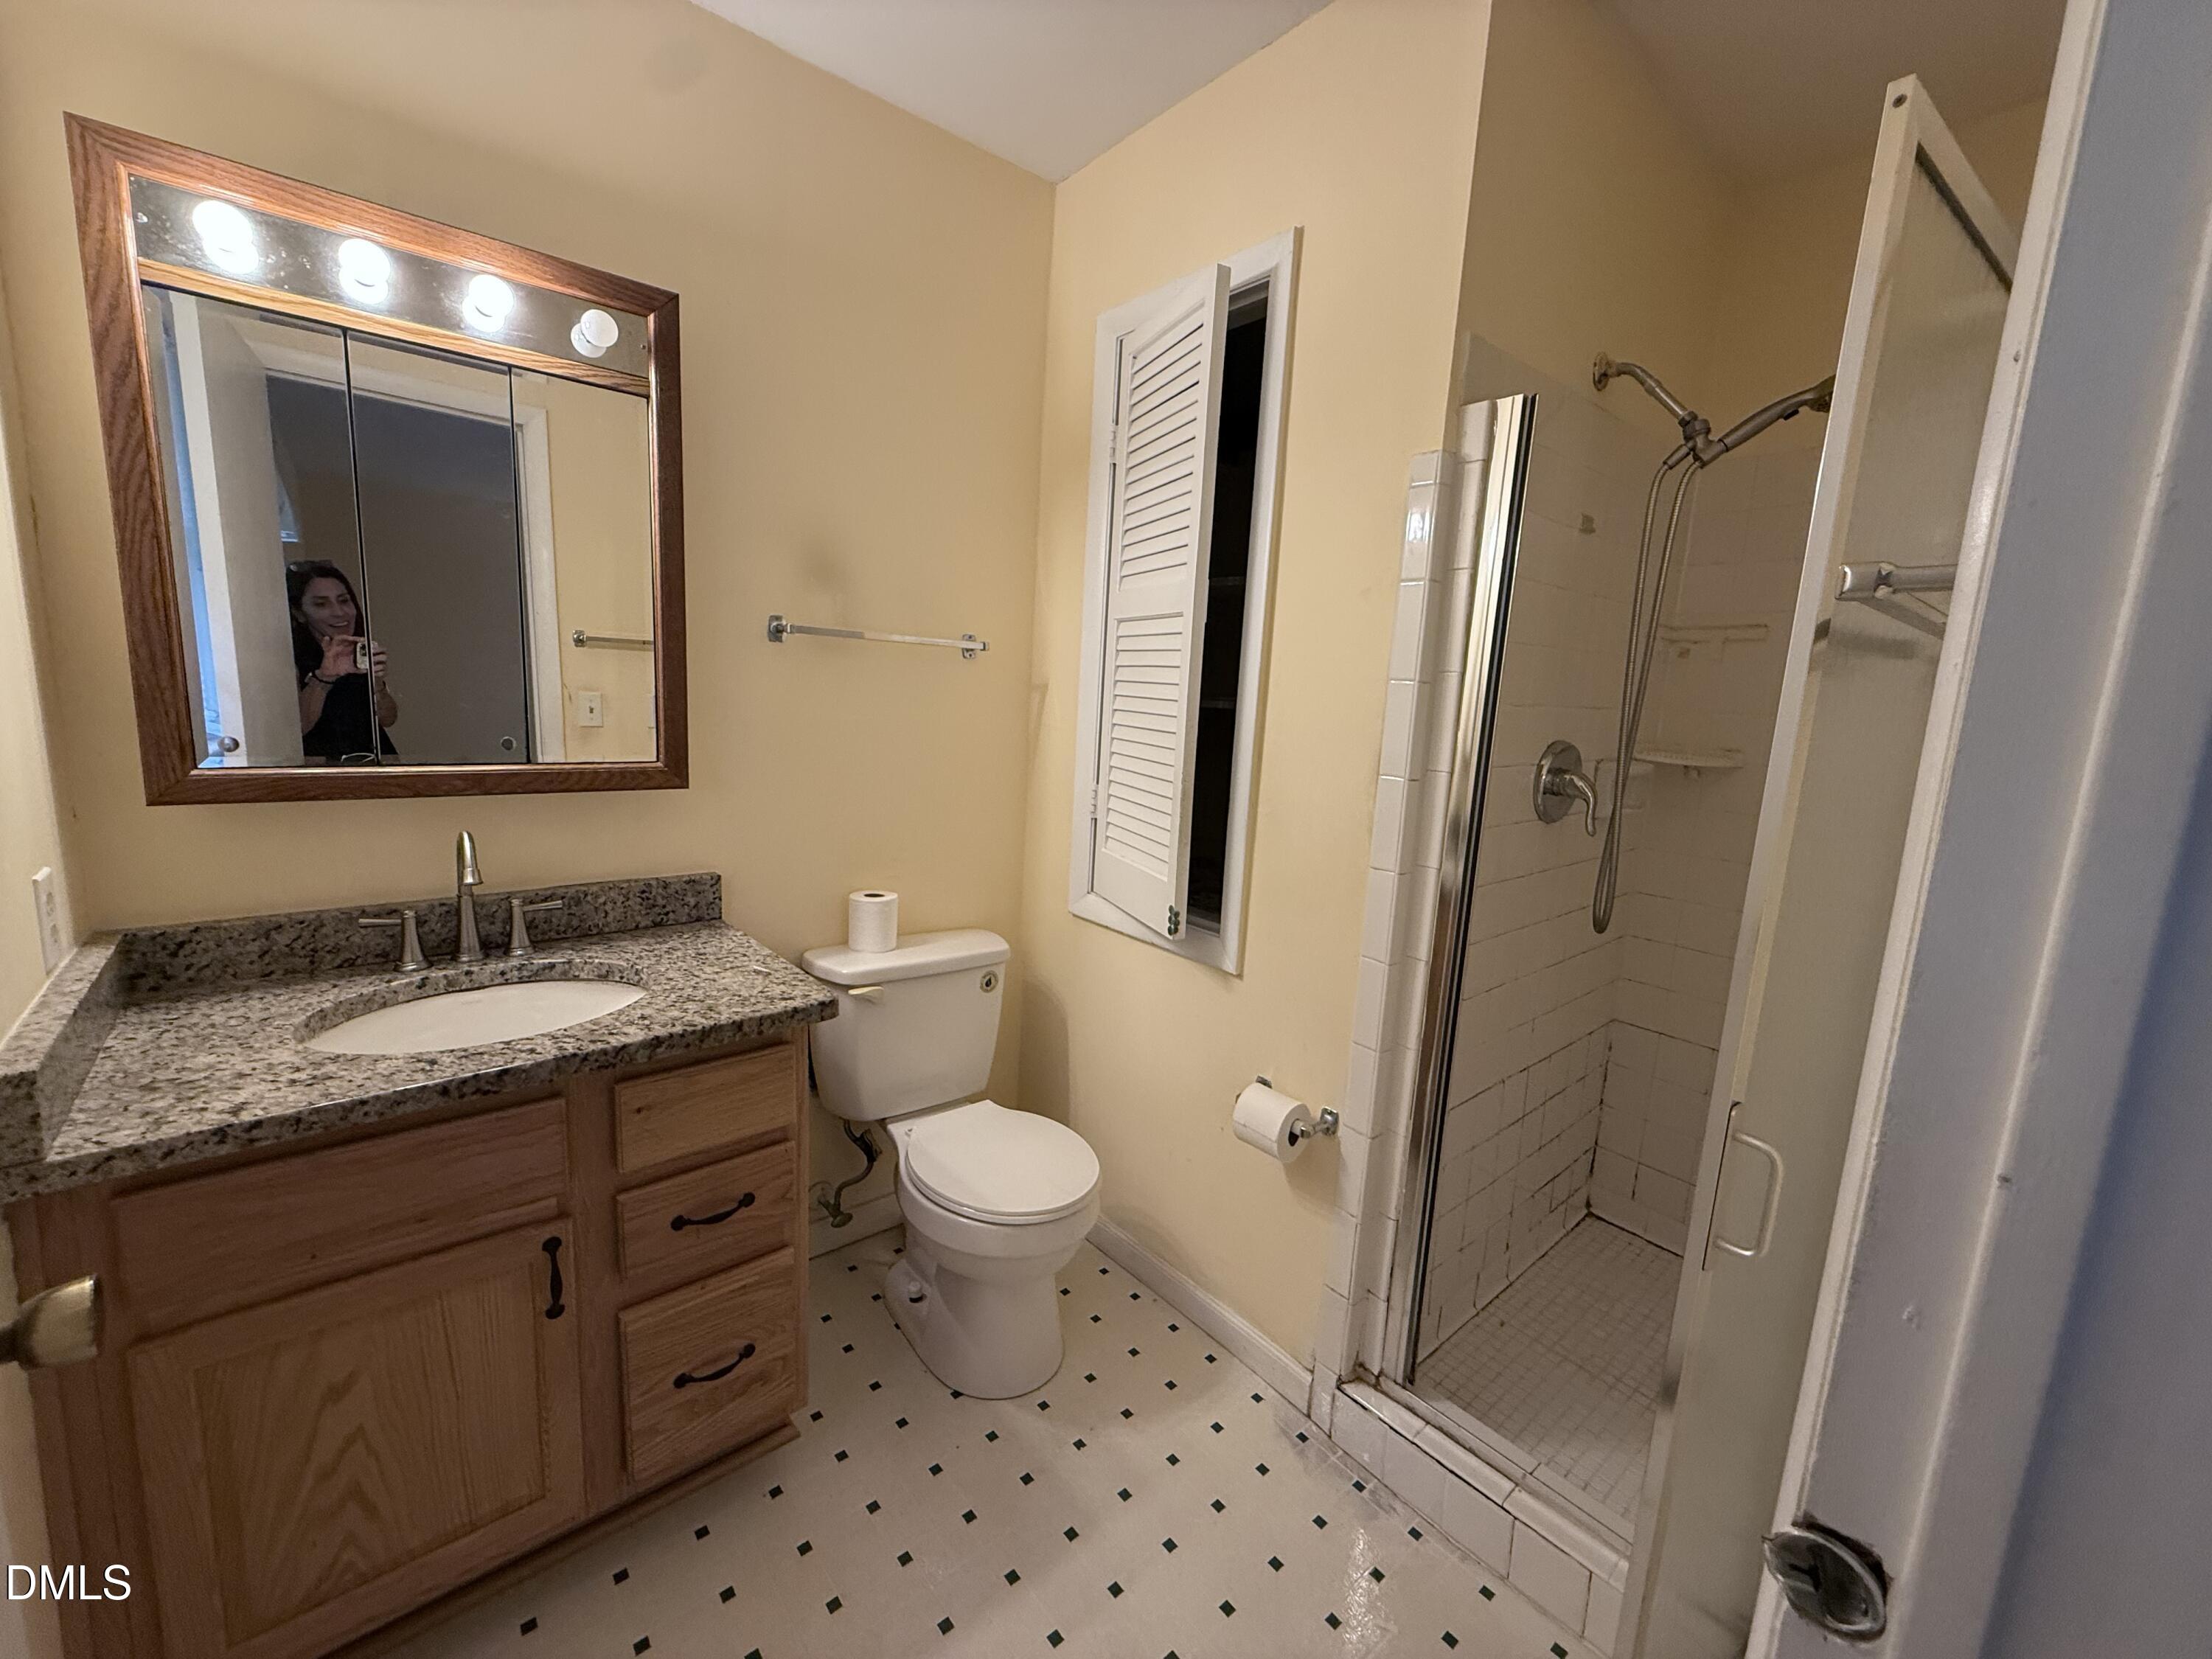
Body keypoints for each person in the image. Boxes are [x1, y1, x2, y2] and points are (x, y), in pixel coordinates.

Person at [288, 560, 398, 763]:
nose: (340, 612)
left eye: (344, 600)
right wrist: (324, 677)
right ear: (299, 613)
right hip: (326, 772)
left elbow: (388, 719)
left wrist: (378, 686)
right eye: (321, 604)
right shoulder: (288, 660)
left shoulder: (358, 650)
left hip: (376, 765)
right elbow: (294, 730)